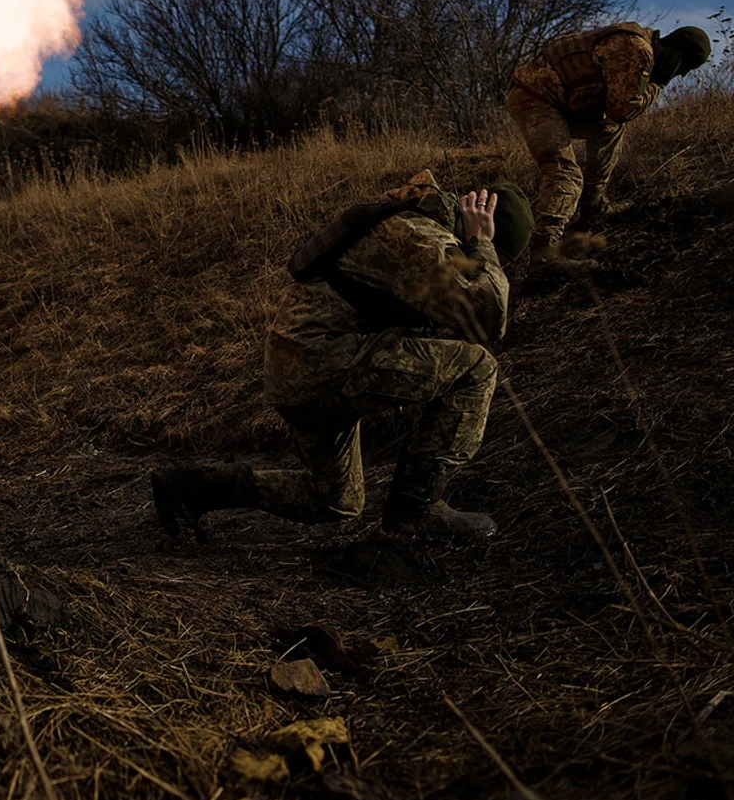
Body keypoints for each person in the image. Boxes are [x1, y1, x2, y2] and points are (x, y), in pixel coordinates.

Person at [151, 171, 531, 544]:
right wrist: (483, 244)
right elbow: (488, 320)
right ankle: (416, 510)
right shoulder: (418, 236)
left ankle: (187, 487)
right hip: (324, 363)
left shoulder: (414, 228)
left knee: (334, 501)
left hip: (302, 370)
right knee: (477, 369)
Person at [506, 23, 710, 269]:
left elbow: (614, 113)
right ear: (676, 55)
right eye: (684, 67)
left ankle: (593, 206)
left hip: (559, 101)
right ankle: (544, 250)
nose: (683, 74)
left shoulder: (639, 45)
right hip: (533, 98)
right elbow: (623, 109)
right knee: (565, 172)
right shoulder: (638, 50)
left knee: (609, 128)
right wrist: (658, 83)